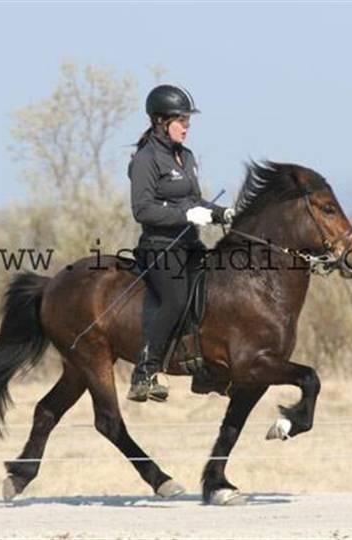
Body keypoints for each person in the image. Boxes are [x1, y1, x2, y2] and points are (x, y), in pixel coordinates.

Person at [127, 84, 235, 402]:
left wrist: (222, 214)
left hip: (189, 246)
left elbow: (194, 199)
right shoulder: (147, 159)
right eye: (181, 120)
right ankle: (144, 373)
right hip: (159, 248)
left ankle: (203, 371)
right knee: (175, 300)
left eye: (188, 120)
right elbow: (142, 209)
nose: (187, 126)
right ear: (161, 121)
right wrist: (186, 216)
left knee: (215, 290)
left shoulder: (185, 156)